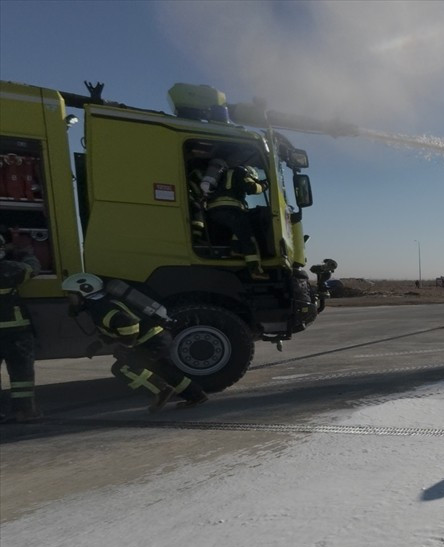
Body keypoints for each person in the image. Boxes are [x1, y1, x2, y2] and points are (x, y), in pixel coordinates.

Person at [61, 273, 208, 413]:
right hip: (158, 337)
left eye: (71, 295)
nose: (70, 300)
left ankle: (162, 390)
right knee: (163, 369)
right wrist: (98, 344)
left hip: (152, 341)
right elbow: (113, 330)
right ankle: (197, 396)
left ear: (84, 291)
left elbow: (128, 323)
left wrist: (127, 345)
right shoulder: (99, 304)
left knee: (124, 368)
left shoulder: (100, 308)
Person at [0, 233, 41, 423]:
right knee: (21, 373)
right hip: (16, 333)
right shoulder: (10, 269)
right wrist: (27, 253)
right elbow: (32, 268)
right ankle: (24, 412)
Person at [205, 163, 268, 278]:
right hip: (230, 209)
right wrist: (264, 185)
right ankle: (255, 270)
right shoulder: (241, 171)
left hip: (212, 211)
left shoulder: (222, 174)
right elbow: (252, 188)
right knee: (248, 238)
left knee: (238, 229)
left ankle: (236, 250)